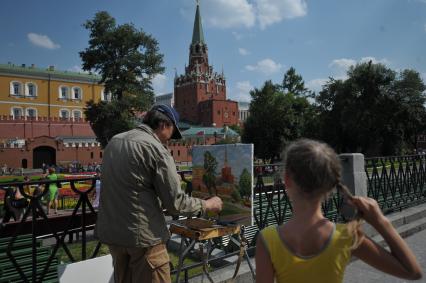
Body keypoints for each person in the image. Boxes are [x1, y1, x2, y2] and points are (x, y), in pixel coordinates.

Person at [256, 139, 422, 283]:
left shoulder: (268, 240)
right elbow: (413, 272)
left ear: (286, 179)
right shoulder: (346, 236)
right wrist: (380, 220)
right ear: (330, 186)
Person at [95, 104, 223, 283]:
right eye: (172, 133)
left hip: (114, 236)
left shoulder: (115, 141)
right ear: (164, 125)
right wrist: (208, 204)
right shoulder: (155, 148)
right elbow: (175, 203)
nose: (169, 141)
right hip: (144, 238)